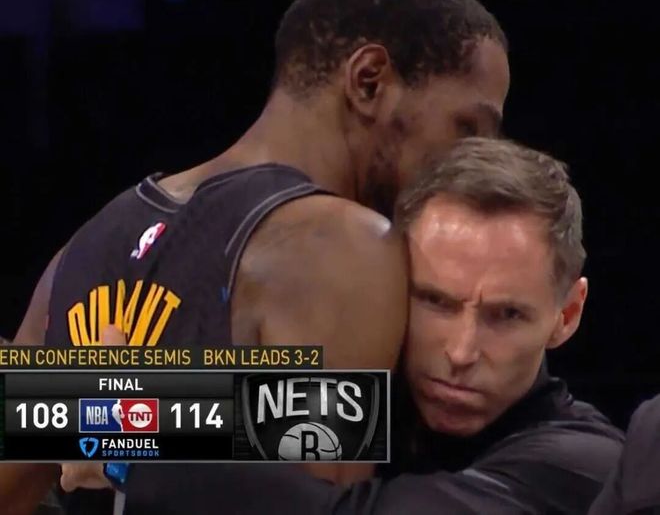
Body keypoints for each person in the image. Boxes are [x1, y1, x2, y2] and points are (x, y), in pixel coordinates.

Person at [0, 0, 510, 514]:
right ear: (369, 81)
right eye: (467, 128)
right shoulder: (346, 246)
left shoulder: (84, 245)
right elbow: (319, 508)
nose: (473, 163)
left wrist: (118, 419)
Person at [65, 138, 624, 514]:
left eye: (506, 315)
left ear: (567, 315)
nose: (460, 351)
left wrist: (127, 450)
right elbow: (47, 408)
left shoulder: (587, 465)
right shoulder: (371, 402)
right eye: (434, 301)